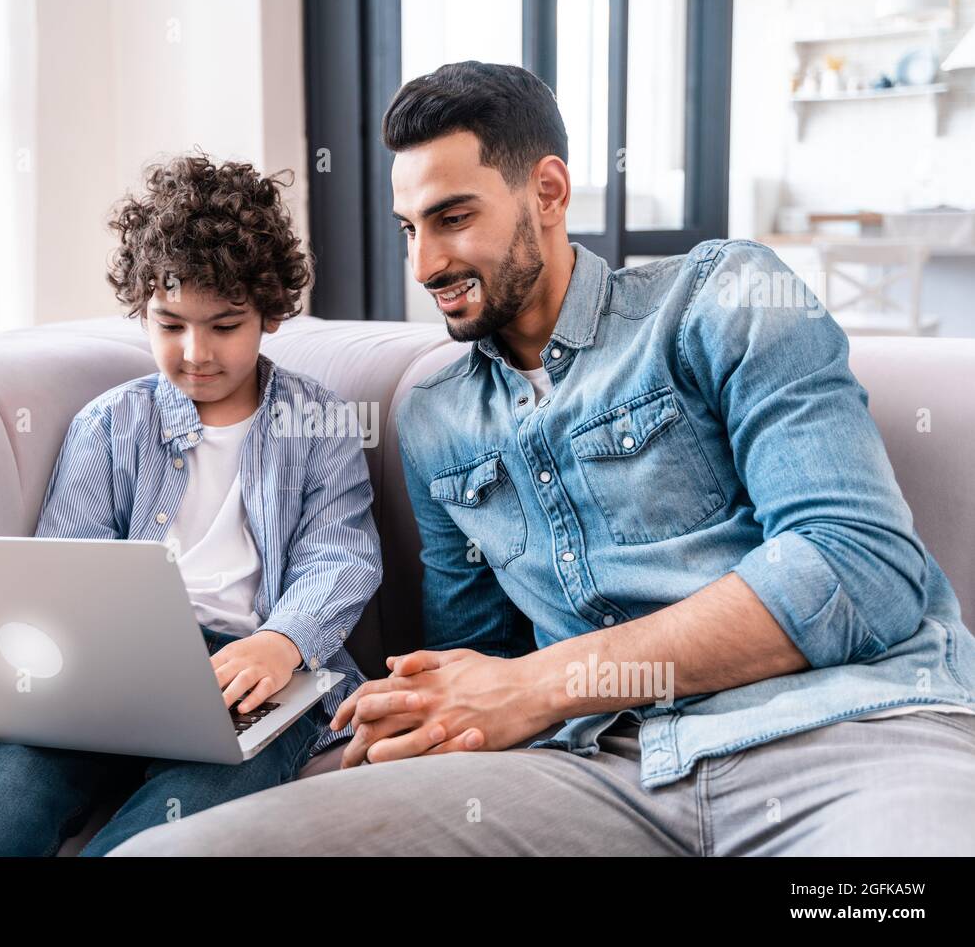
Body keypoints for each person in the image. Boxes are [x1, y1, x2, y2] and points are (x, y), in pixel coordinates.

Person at [110, 63, 975, 857]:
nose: (425, 263)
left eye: (453, 218)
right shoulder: (436, 419)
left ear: (549, 190)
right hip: (593, 772)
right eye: (409, 227)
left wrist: (541, 683)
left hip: (840, 736)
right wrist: (419, 714)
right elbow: (474, 657)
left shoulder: (725, 296)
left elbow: (858, 566)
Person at [0, 153, 380, 856]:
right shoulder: (109, 425)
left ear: (271, 313)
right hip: (118, 666)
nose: (196, 352)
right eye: (170, 324)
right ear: (142, 310)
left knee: (197, 804)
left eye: (225, 325)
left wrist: (282, 643)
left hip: (259, 669)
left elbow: (342, 556)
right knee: (5, 790)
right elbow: (66, 571)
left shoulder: (321, 421)